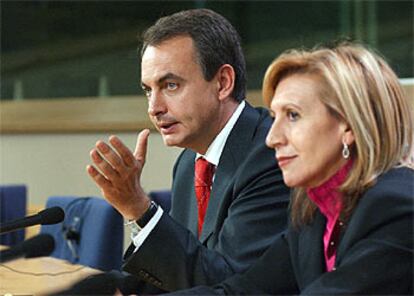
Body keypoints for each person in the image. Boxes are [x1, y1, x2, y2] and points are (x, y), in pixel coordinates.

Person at [167, 42, 414, 295]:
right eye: (275, 118)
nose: (272, 138)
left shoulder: (396, 207)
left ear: (348, 126)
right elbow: (241, 292)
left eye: (293, 115)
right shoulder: (313, 212)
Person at [86, 8, 289, 294]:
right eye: (148, 90)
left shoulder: (270, 155)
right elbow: (183, 272)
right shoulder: (188, 164)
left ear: (223, 83)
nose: (154, 108)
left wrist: (138, 209)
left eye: (170, 85)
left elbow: (226, 286)